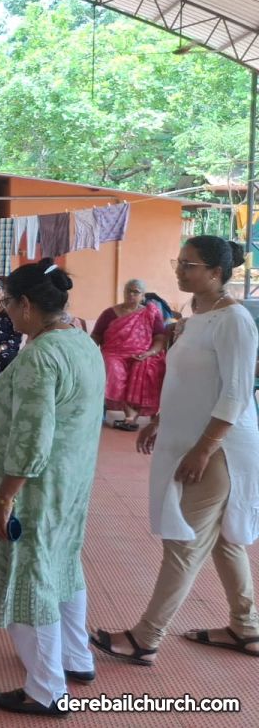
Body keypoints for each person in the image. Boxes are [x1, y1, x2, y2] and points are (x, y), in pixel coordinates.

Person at [91, 237, 259, 667]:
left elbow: (236, 394)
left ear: (216, 273)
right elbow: (189, 382)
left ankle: (146, 638)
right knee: (223, 540)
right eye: (179, 262)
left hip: (220, 448)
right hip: (192, 438)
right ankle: (247, 627)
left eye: (190, 264)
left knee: (184, 541)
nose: (180, 271)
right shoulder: (194, 315)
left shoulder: (234, 321)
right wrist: (161, 420)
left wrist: (204, 449)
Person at [0, 259, 103, 716]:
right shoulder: (80, 341)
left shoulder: (41, 356)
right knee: (62, 563)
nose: (6, 311)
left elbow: (32, 439)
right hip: (70, 480)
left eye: (9, 303)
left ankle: (46, 689)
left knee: (29, 577)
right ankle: (76, 657)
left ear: (27, 305)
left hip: (34, 488)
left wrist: (4, 498)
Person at [91, 278, 167, 431]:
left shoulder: (151, 313)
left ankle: (131, 416)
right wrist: (89, 354)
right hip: (114, 353)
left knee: (147, 367)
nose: (131, 294)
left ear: (143, 296)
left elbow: (160, 338)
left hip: (142, 353)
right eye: (128, 291)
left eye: (136, 292)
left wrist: (149, 352)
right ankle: (129, 414)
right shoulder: (109, 313)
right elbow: (96, 336)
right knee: (113, 368)